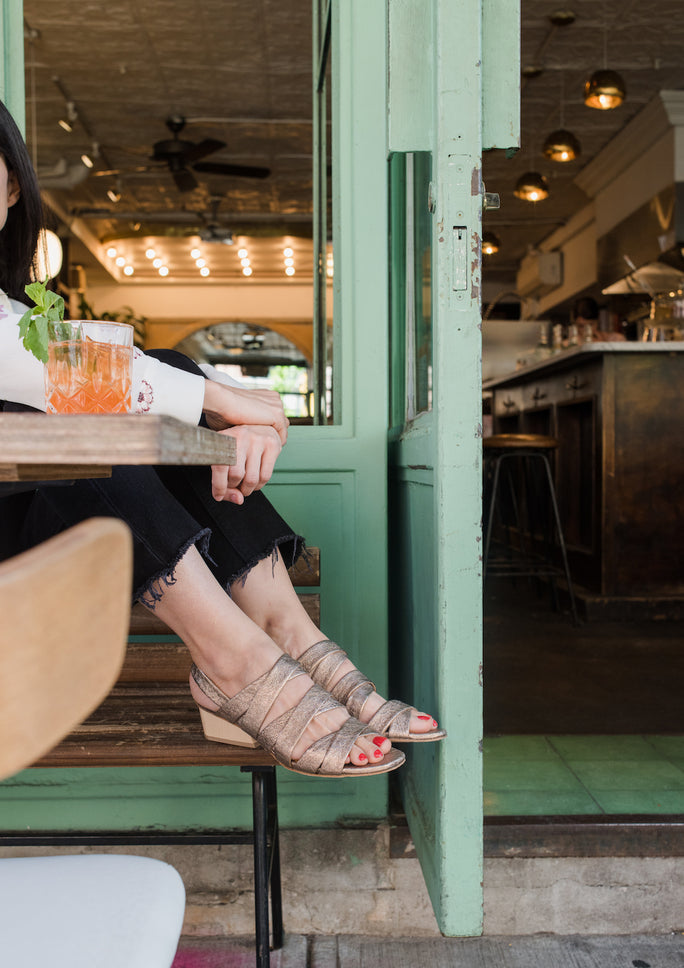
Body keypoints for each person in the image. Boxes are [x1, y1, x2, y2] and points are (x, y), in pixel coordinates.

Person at [0, 100, 445, 779]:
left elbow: (110, 367)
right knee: (73, 412)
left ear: (9, 191)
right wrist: (227, 403)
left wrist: (226, 405)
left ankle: (281, 631)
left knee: (158, 377)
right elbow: (40, 371)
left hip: (46, 545)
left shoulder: (15, 309)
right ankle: (237, 660)